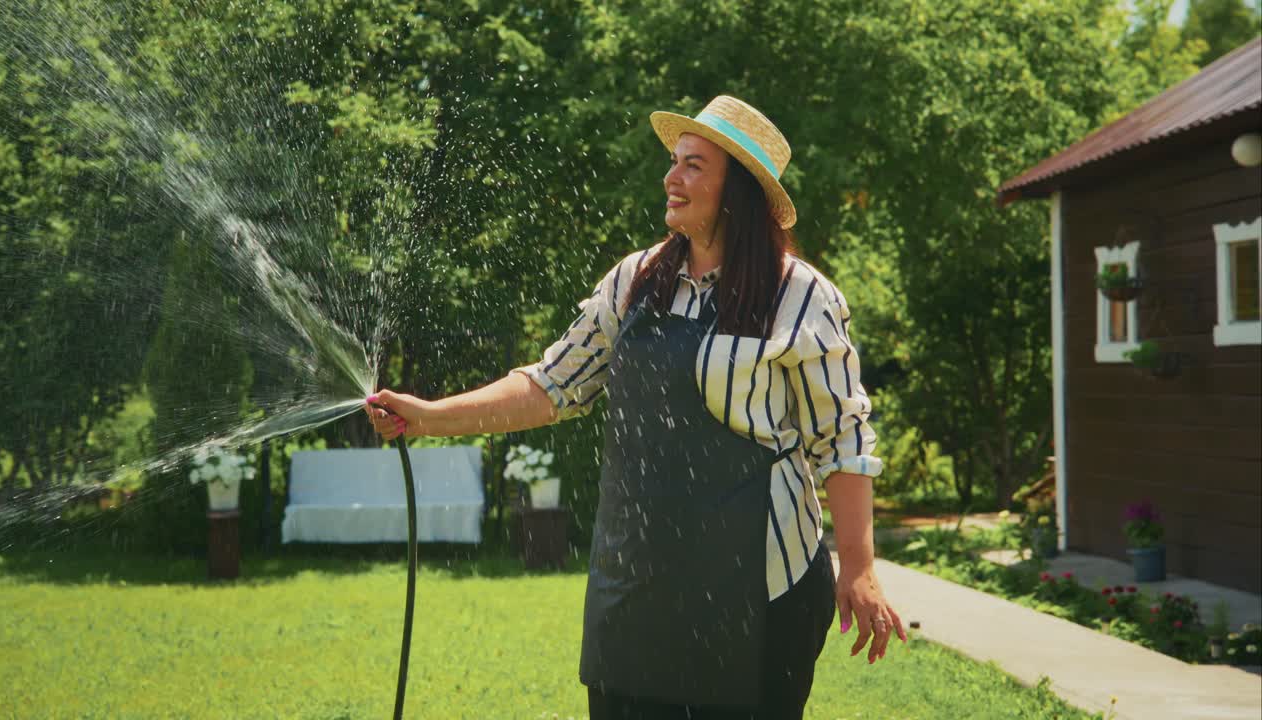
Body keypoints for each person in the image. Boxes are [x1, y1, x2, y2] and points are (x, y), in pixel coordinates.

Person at [365, 95, 906, 719]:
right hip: (635, 589)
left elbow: (842, 441)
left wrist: (859, 566)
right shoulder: (635, 279)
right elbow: (550, 386)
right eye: (675, 162)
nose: (671, 178)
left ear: (740, 191)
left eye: (694, 165)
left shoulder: (800, 295)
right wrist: (430, 415)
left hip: (758, 596)